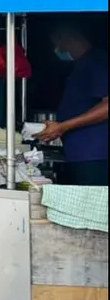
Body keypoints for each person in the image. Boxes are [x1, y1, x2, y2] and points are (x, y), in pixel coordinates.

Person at [36, 23, 108, 185]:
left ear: (65, 38)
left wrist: (63, 126)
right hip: (85, 156)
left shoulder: (97, 62)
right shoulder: (83, 65)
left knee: (95, 207)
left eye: (55, 43)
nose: (56, 49)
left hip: (97, 157)